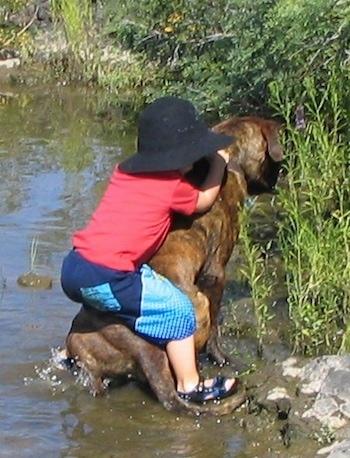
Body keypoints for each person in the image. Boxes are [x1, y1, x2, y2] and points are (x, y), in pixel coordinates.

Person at [60, 96, 239, 404]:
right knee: (181, 313)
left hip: (75, 267)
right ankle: (190, 385)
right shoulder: (170, 185)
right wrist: (218, 164)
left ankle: (67, 358)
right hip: (110, 274)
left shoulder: (123, 172)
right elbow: (204, 201)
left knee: (108, 303)